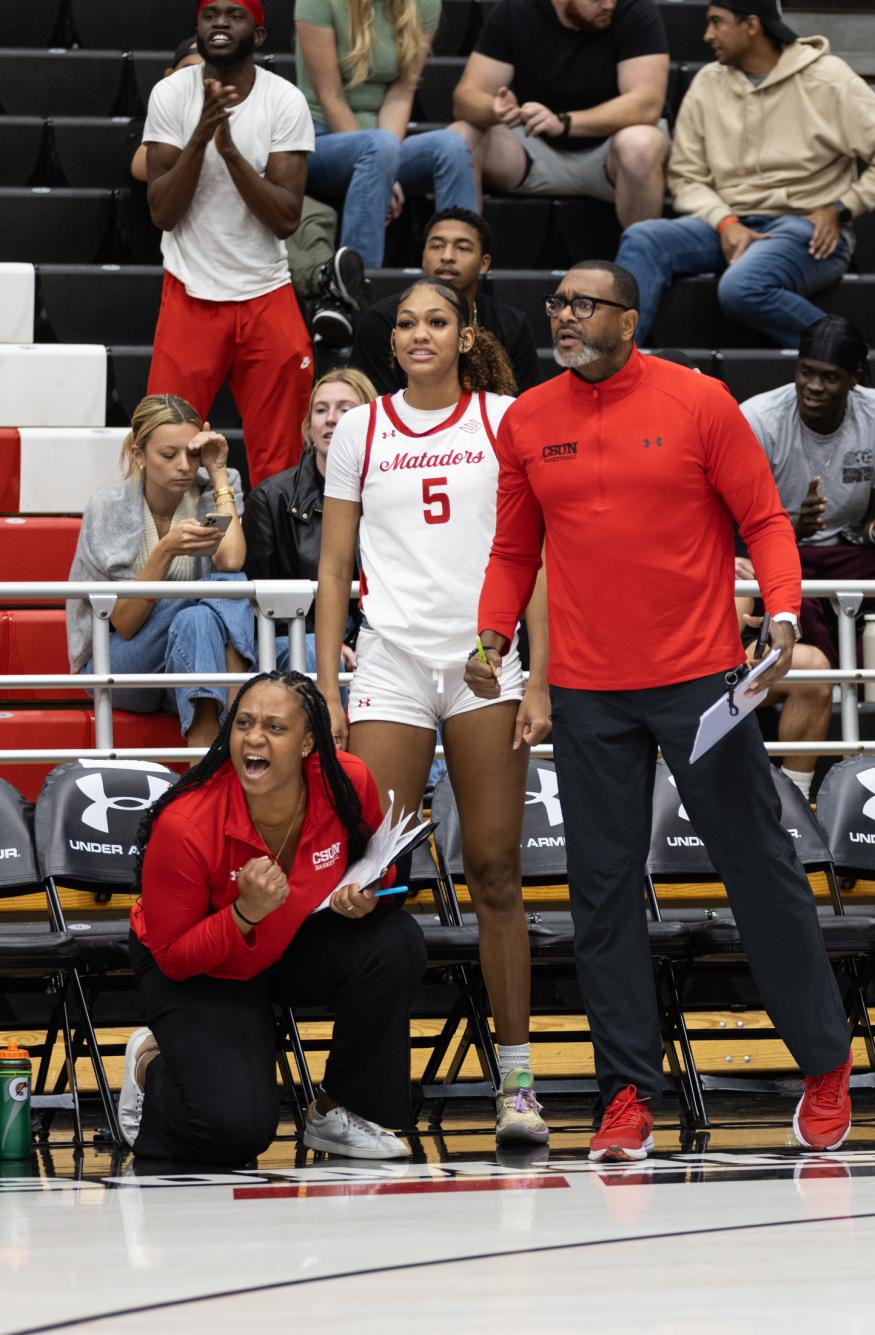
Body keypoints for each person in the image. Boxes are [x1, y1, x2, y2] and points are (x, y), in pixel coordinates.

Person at [471, 260, 857, 1161]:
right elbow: (511, 548)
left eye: (584, 304)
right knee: (599, 894)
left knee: (759, 869)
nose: (563, 316)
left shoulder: (699, 402)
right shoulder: (528, 418)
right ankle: (626, 1097)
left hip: (700, 683)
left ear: (630, 319)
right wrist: (491, 636)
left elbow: (764, 519)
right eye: (557, 301)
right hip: (588, 690)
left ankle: (825, 1064)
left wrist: (786, 611)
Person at [315, 278, 548, 1147]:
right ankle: (364, 1099)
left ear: (465, 333)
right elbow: (334, 569)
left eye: (436, 321)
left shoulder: (504, 418)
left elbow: (539, 555)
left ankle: (518, 1087)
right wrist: (327, 688)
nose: (419, 334)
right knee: (373, 877)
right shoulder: (362, 431)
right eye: (406, 322)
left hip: (484, 661)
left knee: (493, 869)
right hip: (391, 664)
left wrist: (540, 676)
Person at [118, 672, 424, 1165]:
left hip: (290, 939)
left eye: (275, 727)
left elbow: (374, 859)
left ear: (308, 743)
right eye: (243, 723)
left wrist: (370, 893)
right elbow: (174, 957)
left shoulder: (346, 781)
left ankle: (337, 1110)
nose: (254, 737)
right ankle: (151, 1065)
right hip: (200, 966)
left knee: (394, 941)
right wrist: (243, 913)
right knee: (236, 1132)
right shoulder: (186, 822)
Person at [617, 2, 875, 346]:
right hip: (725, 226)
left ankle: (846, 357)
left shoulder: (829, 78)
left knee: (740, 288)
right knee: (643, 238)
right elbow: (687, 176)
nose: (707, 35)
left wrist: (841, 208)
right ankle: (616, 371)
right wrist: (724, 222)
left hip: (804, 228)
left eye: (717, 23)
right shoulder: (707, 83)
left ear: (751, 26)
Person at [142, 0, 317, 487]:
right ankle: (163, 559)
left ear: (258, 35)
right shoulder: (171, 94)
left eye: (235, 15)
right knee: (166, 445)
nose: (220, 22)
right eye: (210, 14)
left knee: (281, 457)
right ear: (198, 27)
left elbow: (285, 217)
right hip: (191, 292)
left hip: (265, 291)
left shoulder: (284, 100)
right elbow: (163, 212)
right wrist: (200, 137)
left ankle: (277, 564)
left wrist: (231, 152)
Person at [740, 316, 875, 666]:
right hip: (777, 556)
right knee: (794, 599)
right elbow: (735, 519)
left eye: (830, 377)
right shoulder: (759, 419)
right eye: (806, 372)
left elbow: (873, 525)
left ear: (855, 379)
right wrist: (793, 529)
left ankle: (861, 684)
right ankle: (831, 687)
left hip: (849, 552)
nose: (814, 386)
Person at [131, 39, 363, 348]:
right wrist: (201, 131)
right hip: (203, 246)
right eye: (195, 73)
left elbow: (280, 198)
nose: (210, 87)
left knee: (314, 216)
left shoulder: (261, 108)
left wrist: (229, 145)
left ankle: (331, 285)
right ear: (169, 75)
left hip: (255, 227)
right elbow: (141, 167)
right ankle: (320, 281)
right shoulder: (159, 116)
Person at [67, 395, 252, 751]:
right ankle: (239, 690)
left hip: (186, 657)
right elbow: (124, 623)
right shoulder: (110, 506)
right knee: (219, 590)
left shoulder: (218, 484)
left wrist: (216, 472)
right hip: (117, 661)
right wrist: (165, 550)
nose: (184, 466)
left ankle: (202, 777)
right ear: (139, 456)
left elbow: (231, 561)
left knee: (202, 617)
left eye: (193, 454)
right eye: (169, 455)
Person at [448, 0, 669, 228]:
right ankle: (458, 254)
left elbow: (647, 104)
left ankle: (641, 259)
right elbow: (465, 99)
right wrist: (495, 109)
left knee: (640, 144)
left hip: (610, 155)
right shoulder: (515, 11)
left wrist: (565, 123)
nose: (609, 5)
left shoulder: (636, 8)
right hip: (533, 147)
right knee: (458, 137)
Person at [294, 0, 479, 269]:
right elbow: (330, 96)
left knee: (450, 146)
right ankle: (356, 286)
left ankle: (459, 285)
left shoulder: (425, 4)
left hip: (382, 140)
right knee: (380, 147)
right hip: (320, 139)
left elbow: (402, 94)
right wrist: (383, 158)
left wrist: (387, 163)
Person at [244, 369, 376, 647]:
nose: (330, 419)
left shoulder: (395, 492)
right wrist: (330, 644)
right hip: (298, 642)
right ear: (308, 426)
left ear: (370, 421)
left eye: (345, 409)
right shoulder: (270, 499)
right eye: (320, 410)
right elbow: (264, 607)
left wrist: (354, 643)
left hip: (379, 640)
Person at [350, 208, 543, 397]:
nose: (447, 256)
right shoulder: (380, 321)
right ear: (423, 257)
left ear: (484, 263)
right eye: (436, 246)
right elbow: (369, 405)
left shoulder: (512, 325)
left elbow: (526, 408)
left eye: (462, 248)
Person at [735, 556, 831, 799]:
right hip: (662, 637)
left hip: (731, 643)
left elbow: (769, 536)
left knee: (812, 667)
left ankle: (795, 798)